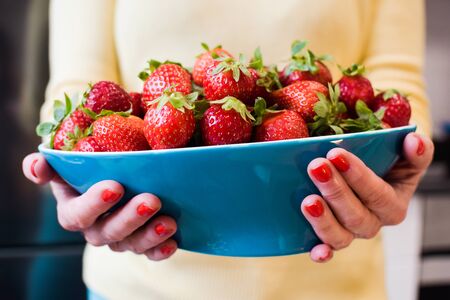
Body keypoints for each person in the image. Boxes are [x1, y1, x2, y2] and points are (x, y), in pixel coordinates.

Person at [22, 0, 434, 299]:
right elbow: (82, 92)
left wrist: (401, 156)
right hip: (141, 280)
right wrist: (77, 170)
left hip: (334, 279)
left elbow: (394, 84)